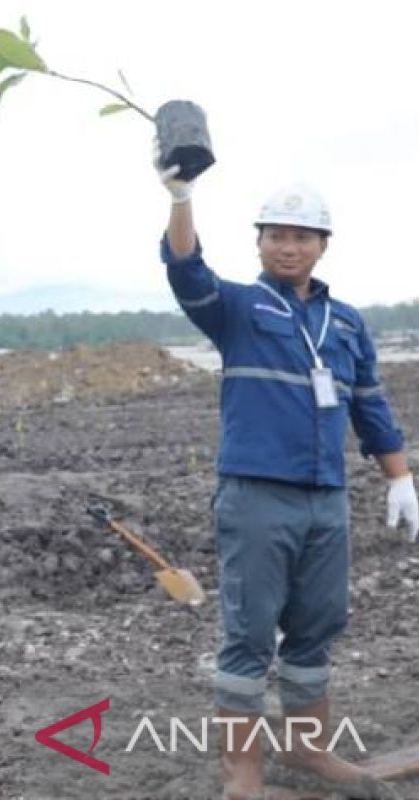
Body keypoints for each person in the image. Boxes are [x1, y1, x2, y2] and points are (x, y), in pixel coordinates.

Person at [155, 149, 416, 799]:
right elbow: (185, 270)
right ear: (261, 242)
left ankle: (307, 751)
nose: (288, 247)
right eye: (276, 235)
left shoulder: (347, 323)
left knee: (317, 624)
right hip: (257, 495)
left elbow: (370, 406)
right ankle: (241, 769)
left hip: (325, 499)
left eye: (301, 236)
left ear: (323, 245)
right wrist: (181, 197)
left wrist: (399, 478)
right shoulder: (238, 309)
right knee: (248, 633)